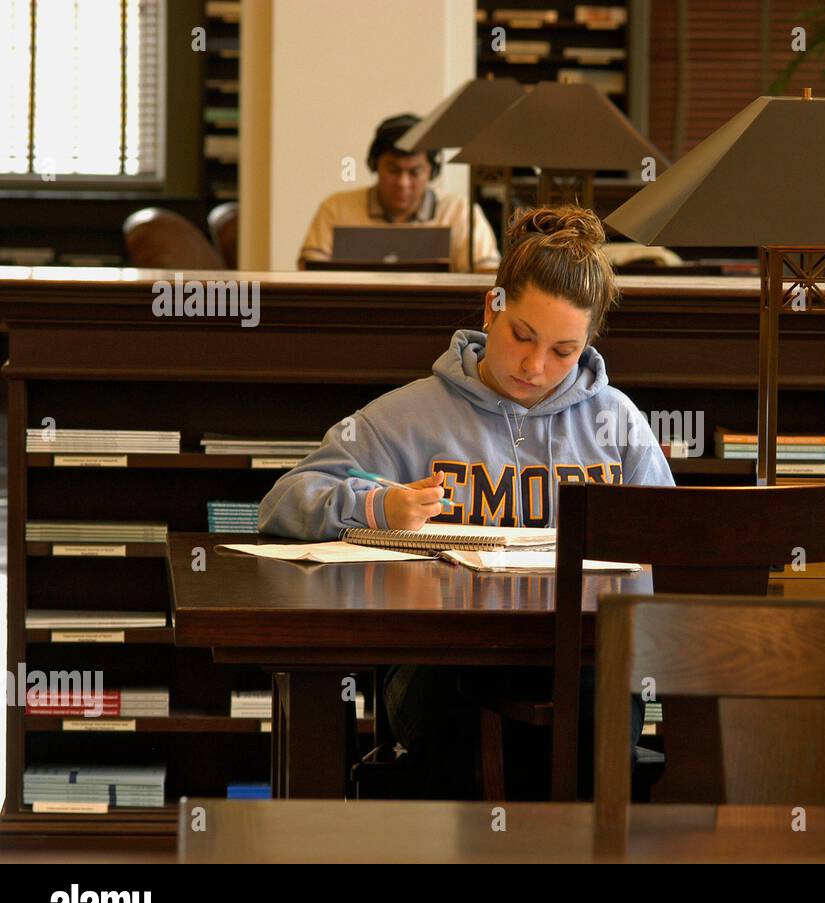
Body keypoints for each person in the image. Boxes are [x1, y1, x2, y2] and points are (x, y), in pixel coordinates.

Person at [262, 205, 673, 796]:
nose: (535, 367)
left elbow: (676, 547)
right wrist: (380, 508)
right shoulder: (409, 416)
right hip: (439, 666)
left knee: (590, 725)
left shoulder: (617, 423)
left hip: (587, 667)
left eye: (564, 351)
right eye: (521, 337)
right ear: (493, 308)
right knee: (467, 736)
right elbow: (283, 503)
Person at [297, 113, 501, 272]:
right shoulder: (336, 208)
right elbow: (309, 269)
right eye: (393, 170)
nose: (403, 183)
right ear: (375, 166)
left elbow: (487, 274)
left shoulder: (460, 212)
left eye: (414, 172)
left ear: (432, 170)